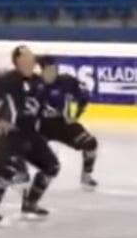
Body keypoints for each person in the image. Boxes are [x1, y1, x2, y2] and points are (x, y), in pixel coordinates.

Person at [0, 45, 59, 223]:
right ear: (18, 60)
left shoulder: (38, 81)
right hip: (10, 133)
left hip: (30, 133)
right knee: (6, 171)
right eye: (28, 56)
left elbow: (40, 104)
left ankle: (30, 203)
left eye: (32, 56)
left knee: (51, 166)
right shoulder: (7, 80)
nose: (32, 59)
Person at [36, 56, 99, 189]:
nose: (52, 73)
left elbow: (83, 97)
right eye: (48, 70)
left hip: (63, 124)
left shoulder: (67, 82)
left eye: (54, 70)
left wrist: (76, 115)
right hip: (40, 126)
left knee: (91, 144)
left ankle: (86, 176)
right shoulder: (34, 85)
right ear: (42, 71)